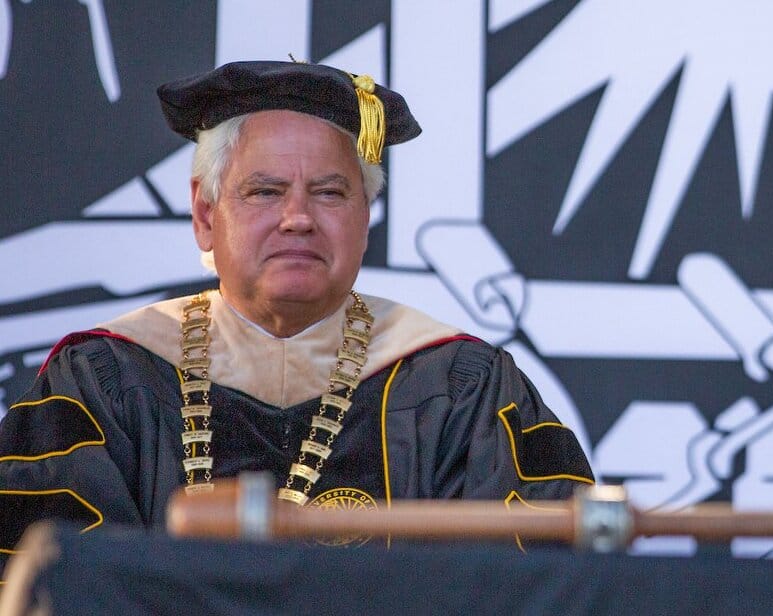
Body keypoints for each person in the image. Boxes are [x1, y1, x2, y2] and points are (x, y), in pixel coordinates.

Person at [0, 61, 593, 567]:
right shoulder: (105, 380)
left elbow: (540, 580)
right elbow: (58, 579)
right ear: (205, 214)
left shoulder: (461, 389)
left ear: (365, 218)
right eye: (265, 191)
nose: (298, 218)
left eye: (330, 193)